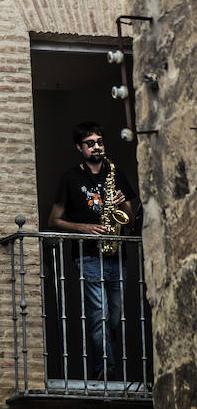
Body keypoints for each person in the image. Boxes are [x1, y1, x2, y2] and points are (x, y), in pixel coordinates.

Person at [47, 121, 137, 381]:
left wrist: (124, 204)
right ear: (79, 147)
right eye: (90, 143)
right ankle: (104, 371)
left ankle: (109, 365)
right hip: (88, 256)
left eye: (100, 142)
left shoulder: (115, 173)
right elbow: (54, 220)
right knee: (99, 316)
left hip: (116, 255)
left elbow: (130, 219)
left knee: (115, 318)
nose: (97, 147)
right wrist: (84, 227)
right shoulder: (71, 178)